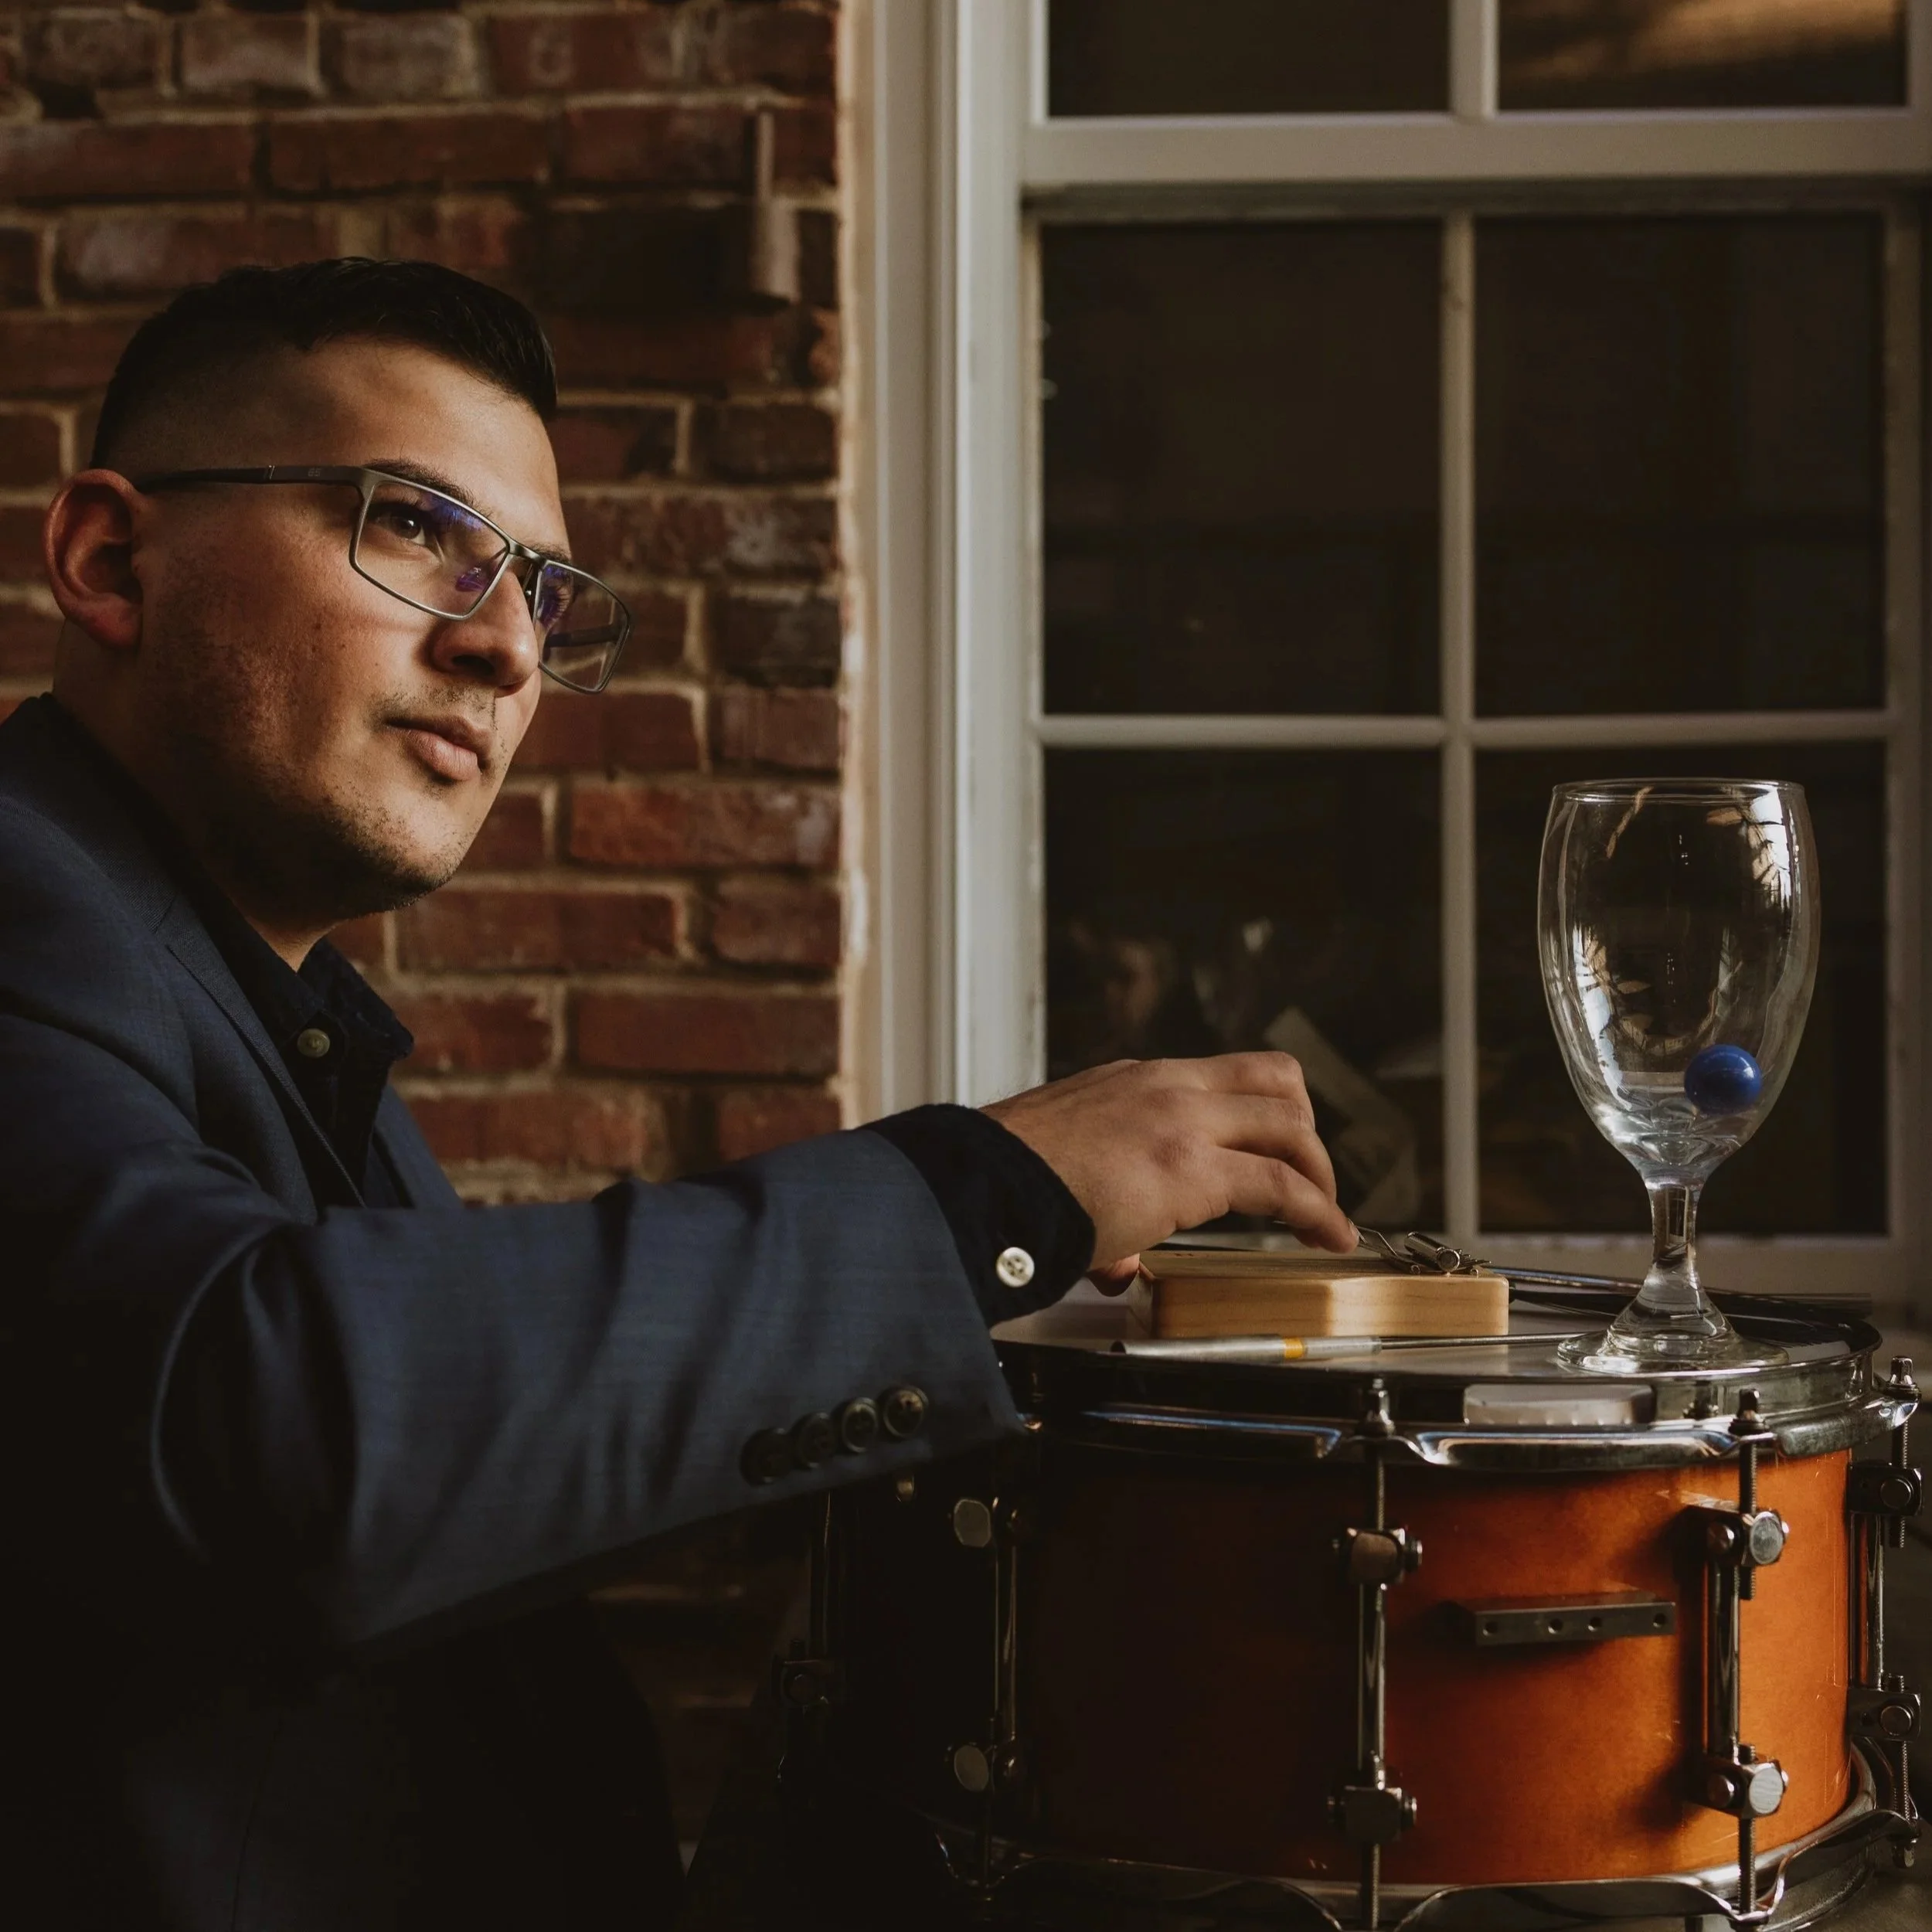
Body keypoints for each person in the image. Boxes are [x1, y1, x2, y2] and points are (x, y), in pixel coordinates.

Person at [0, 258, 1352, 1931]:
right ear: (109, 559)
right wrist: (979, 1196)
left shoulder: (269, 1008)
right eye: (418, 526)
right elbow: (259, 1428)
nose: (505, 645)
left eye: (541, 589)